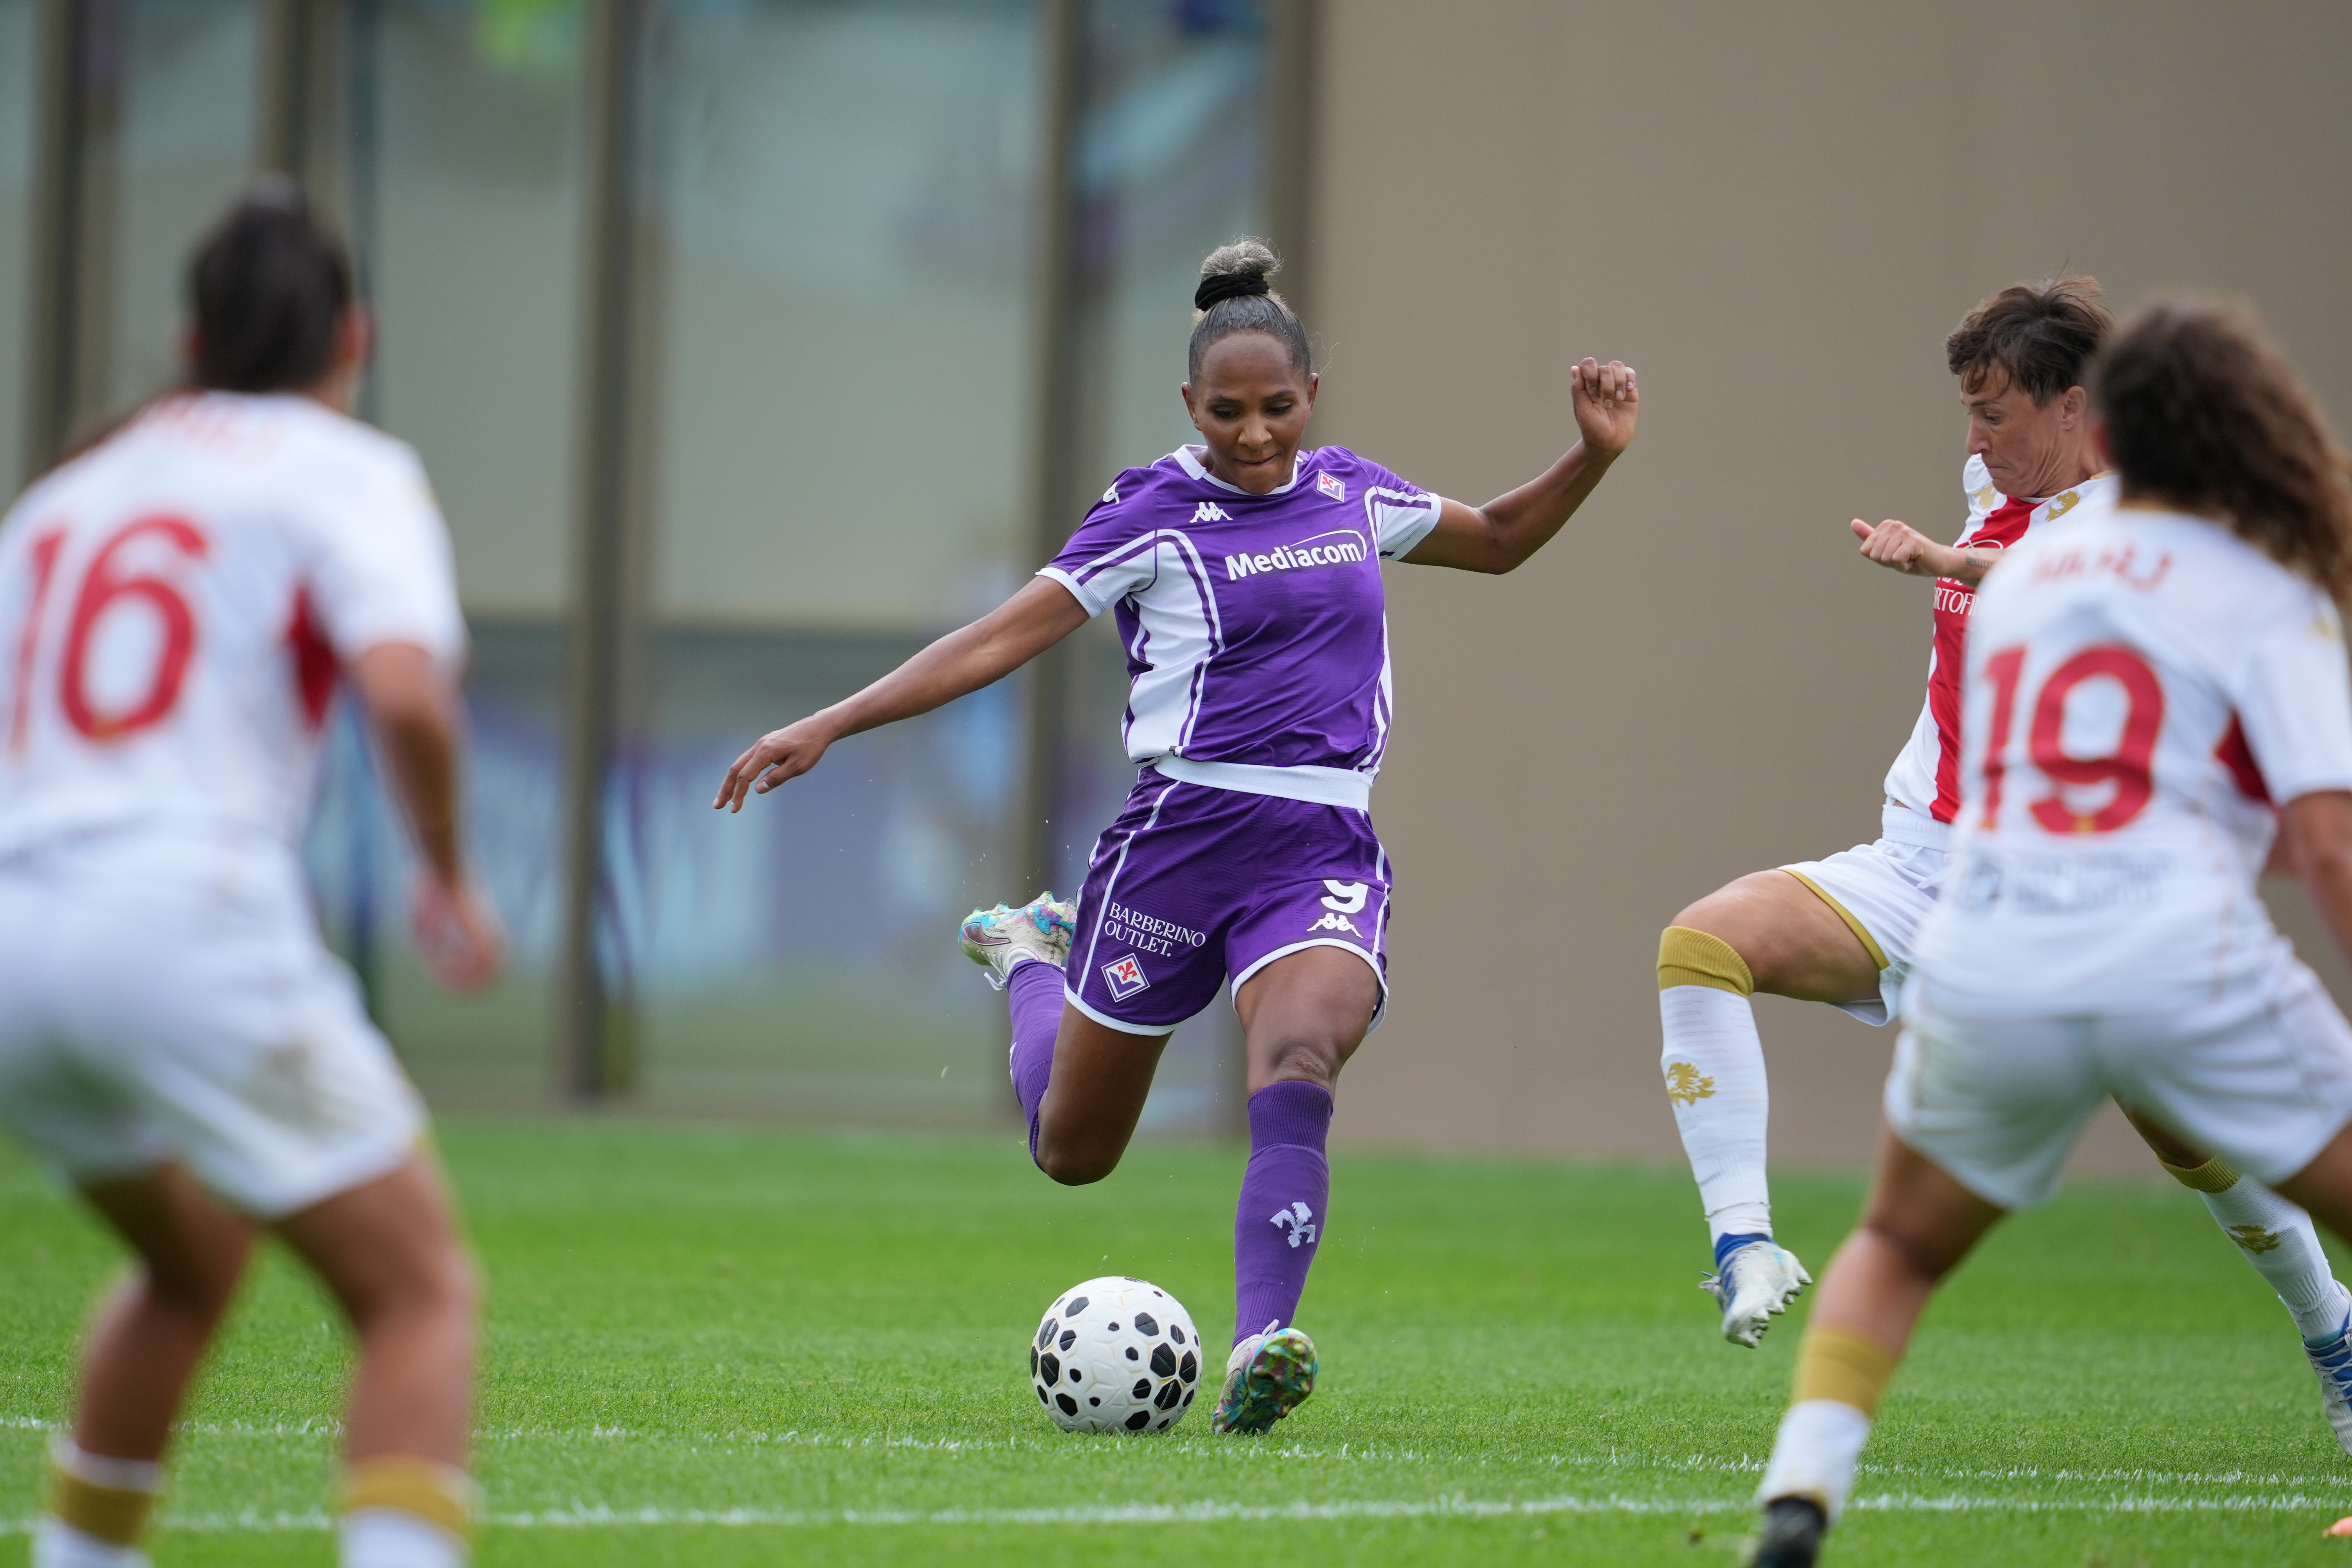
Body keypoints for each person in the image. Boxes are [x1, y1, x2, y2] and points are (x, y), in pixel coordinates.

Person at [714, 238, 1638, 1434]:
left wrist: (1593, 458)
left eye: (1278, 409)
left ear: (1313, 396)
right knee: (1073, 1152)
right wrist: (834, 722)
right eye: (1228, 413)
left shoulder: (1354, 491)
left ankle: (1265, 1341)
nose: (1255, 436)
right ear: (1190, 409)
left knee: (1301, 1056)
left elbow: (1502, 538)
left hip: (1319, 848)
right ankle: (1028, 958)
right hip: (1178, 847)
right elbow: (998, 638)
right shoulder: (1151, 511)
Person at [1749, 297, 2352, 1565]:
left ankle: (1802, 1489)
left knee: (1899, 1244)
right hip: (2173, 949)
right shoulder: (2260, 588)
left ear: (2108, 418)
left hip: (1999, 948)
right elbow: (2324, 841)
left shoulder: (2030, 574)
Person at [0, 182, 504, 1568]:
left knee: (190, 1258)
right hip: (174, 920)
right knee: (418, 1295)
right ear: (357, 334)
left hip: (18, 939)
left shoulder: (68, 490)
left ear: (187, 335)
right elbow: (404, 695)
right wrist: (450, 877)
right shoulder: (343, 469)